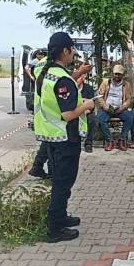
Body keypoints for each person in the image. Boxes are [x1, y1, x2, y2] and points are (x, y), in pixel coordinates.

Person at [33, 32, 95, 242]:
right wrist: (86, 105)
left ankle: (61, 216)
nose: (73, 54)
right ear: (66, 50)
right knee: (63, 182)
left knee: (59, 179)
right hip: (65, 138)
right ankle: (55, 228)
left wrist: (77, 74)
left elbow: (58, 88)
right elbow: (68, 114)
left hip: (50, 135)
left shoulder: (43, 69)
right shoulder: (63, 79)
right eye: (72, 50)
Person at [97, 64, 134, 151]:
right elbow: (99, 96)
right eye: (115, 74)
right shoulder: (106, 82)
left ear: (122, 75)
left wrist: (123, 107)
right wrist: (105, 106)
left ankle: (121, 139)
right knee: (100, 119)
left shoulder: (126, 85)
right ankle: (110, 140)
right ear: (112, 73)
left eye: (119, 74)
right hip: (107, 107)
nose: (117, 76)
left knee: (130, 118)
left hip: (120, 108)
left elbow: (129, 99)